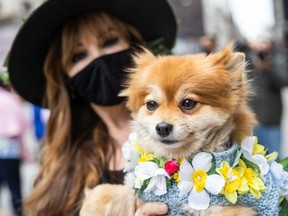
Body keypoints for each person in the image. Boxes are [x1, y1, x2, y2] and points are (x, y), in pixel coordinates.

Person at [8, 0, 177, 215]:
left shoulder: (184, 135)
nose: (98, 59)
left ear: (135, 47)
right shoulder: (58, 168)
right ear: (65, 78)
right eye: (78, 56)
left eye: (109, 41)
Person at [244, 40, 288, 157]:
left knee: (275, 158)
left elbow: (284, 81)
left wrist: (268, 69)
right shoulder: (250, 64)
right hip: (254, 120)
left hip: (272, 120)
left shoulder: (277, 62)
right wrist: (248, 46)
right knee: (256, 157)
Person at [0, 73, 31, 216]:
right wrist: (26, 153)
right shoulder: (11, 99)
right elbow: (22, 126)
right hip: (10, 151)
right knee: (15, 190)